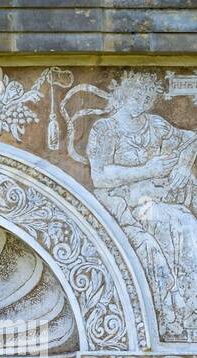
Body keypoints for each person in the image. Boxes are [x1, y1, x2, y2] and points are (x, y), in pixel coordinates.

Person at [87, 71, 197, 335]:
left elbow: (191, 139)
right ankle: (168, 316)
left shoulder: (156, 124)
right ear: (121, 94)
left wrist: (183, 165)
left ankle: (191, 308)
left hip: (152, 202)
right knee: (152, 240)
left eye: (148, 95)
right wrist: (149, 169)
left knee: (187, 223)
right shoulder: (105, 129)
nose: (143, 100)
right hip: (121, 205)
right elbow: (99, 177)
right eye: (137, 94)